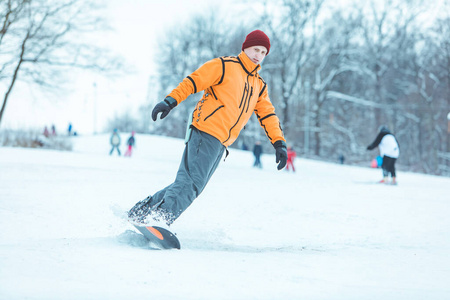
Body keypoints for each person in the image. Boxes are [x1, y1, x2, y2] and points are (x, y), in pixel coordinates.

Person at [128, 29, 288, 226]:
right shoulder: (224, 66)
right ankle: (159, 219)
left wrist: (279, 143)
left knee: (191, 183)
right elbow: (193, 82)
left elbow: (268, 115)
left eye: (263, 53)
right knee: (191, 183)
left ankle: (144, 211)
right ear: (245, 47)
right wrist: (170, 101)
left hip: (221, 142)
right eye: (256, 49)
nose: (259, 56)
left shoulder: (259, 85)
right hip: (206, 130)